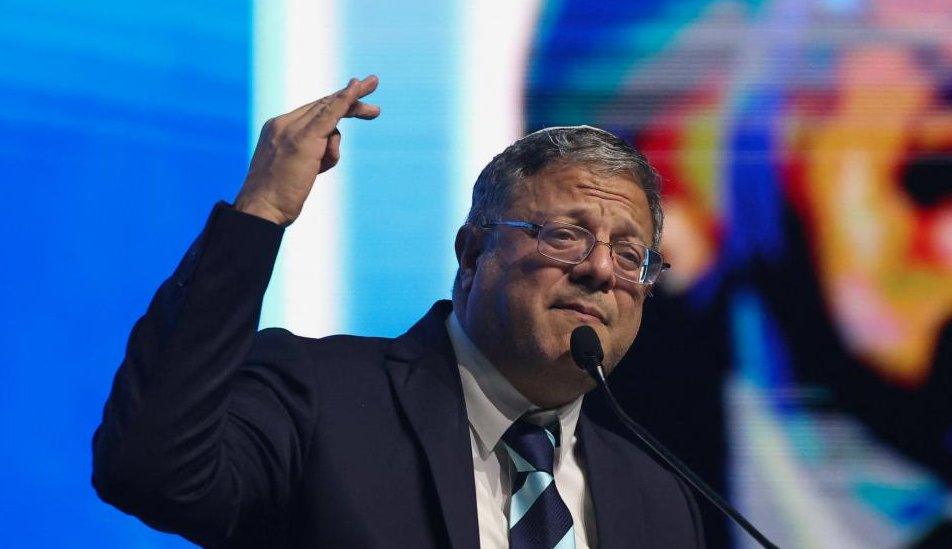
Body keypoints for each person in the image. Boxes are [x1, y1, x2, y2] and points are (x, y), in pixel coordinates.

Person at [92, 75, 704, 548]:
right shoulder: (319, 399)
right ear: (472, 252)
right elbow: (149, 470)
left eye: (630, 254)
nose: (601, 269)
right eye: (565, 236)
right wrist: (260, 212)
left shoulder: (658, 499)